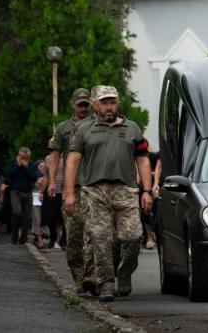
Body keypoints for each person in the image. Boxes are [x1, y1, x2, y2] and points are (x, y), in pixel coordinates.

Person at [63, 85, 153, 302]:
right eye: (104, 102)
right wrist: (69, 193)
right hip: (95, 191)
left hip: (126, 190)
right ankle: (106, 283)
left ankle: (124, 272)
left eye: (112, 102)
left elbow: (142, 159)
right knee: (100, 238)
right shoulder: (84, 129)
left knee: (132, 237)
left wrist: (147, 191)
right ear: (95, 104)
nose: (109, 106)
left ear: (118, 103)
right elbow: (73, 161)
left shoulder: (132, 128)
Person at [47, 87, 94, 291]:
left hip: (94, 186)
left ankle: (94, 276)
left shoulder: (98, 125)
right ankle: (79, 277)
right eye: (80, 104)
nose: (83, 108)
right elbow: (55, 156)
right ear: (73, 104)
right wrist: (52, 182)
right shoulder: (64, 128)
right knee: (74, 236)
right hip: (72, 187)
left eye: (86, 104)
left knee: (96, 234)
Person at [5, 147, 39, 244]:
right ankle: (14, 235)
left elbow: (34, 178)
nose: (24, 159)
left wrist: (26, 167)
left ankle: (23, 238)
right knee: (17, 213)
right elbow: (9, 175)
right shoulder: (12, 162)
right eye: (22, 157)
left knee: (27, 217)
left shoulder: (32, 164)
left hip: (28, 192)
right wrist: (19, 166)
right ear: (19, 155)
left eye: (26, 157)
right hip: (15, 191)